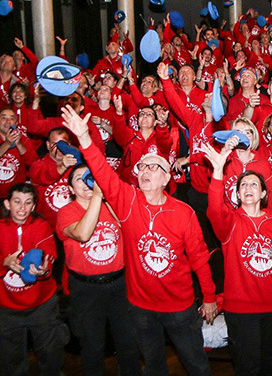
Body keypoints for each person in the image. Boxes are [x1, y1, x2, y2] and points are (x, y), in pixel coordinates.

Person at [61, 105, 218, 376]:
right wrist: (85, 139)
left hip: (180, 308)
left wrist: (209, 297)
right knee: (154, 367)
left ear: (167, 177)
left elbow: (200, 259)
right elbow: (103, 174)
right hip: (140, 307)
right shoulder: (127, 201)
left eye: (154, 167)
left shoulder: (184, 212)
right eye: (142, 166)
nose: (145, 170)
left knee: (197, 365)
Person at [203, 142, 272, 376]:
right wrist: (217, 172)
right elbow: (215, 210)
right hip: (240, 311)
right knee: (247, 367)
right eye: (243, 184)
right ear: (237, 194)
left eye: (254, 184)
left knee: (270, 365)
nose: (248, 188)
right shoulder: (231, 223)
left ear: (264, 193)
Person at [56, 165, 141, 376]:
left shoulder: (109, 205)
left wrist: (106, 197)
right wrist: (96, 197)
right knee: (92, 344)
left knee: (127, 341)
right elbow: (83, 234)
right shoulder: (66, 212)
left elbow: (129, 227)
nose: (85, 182)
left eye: (89, 177)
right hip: (86, 288)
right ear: (71, 189)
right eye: (78, 179)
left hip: (118, 283)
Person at [0, 183, 66, 376]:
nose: (22, 208)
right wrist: (4, 262)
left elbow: (49, 256)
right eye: (17, 202)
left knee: (51, 355)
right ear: (7, 204)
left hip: (42, 305)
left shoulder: (41, 226)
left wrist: (43, 270)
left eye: (28, 202)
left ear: (34, 206)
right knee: (10, 361)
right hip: (6, 308)